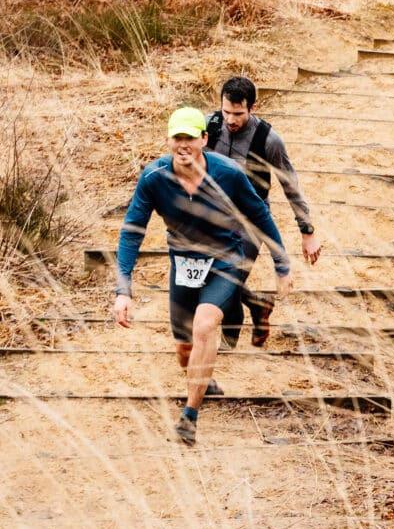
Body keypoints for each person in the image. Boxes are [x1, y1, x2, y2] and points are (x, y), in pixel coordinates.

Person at [112, 107, 293, 446]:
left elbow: (260, 216)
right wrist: (123, 289)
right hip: (183, 266)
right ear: (169, 140)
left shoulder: (227, 173)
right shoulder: (154, 177)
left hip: (225, 262)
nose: (184, 145)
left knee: (205, 326)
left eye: (190, 138)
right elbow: (132, 231)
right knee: (185, 350)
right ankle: (202, 379)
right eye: (177, 137)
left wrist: (282, 265)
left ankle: (189, 416)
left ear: (204, 139)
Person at [205, 76, 322, 349]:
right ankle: (258, 306)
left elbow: (290, 186)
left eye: (238, 113)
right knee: (208, 273)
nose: (230, 120)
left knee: (230, 277)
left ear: (253, 108)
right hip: (216, 216)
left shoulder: (268, 139)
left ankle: (228, 340)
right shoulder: (210, 127)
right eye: (226, 112)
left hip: (251, 219)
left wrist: (307, 231)